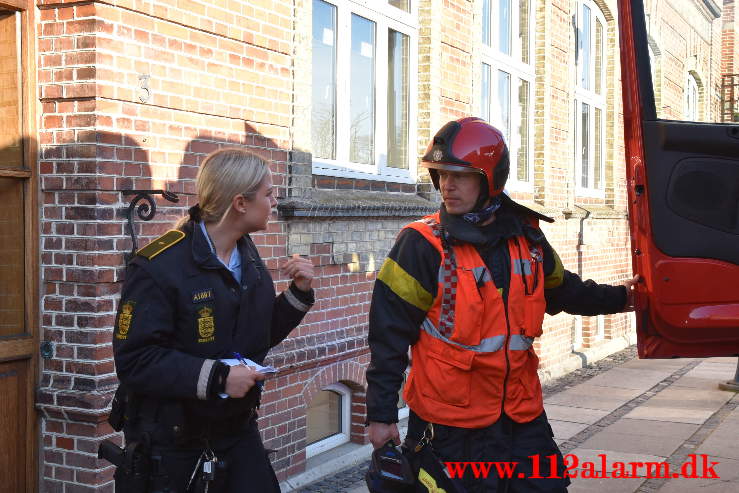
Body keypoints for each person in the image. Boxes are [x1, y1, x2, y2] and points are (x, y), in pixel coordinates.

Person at [366, 117, 638, 492]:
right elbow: (387, 336)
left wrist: (626, 298)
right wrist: (380, 416)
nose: (447, 185)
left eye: (460, 175)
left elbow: (566, 291)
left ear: (490, 178)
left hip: (521, 417)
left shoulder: (528, 239)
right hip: (451, 428)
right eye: (442, 174)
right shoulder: (420, 244)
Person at [110, 149, 314, 492]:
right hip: (174, 446)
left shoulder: (246, 255)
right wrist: (220, 378)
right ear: (240, 203)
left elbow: (255, 337)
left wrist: (299, 294)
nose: (275, 202)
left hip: (237, 432)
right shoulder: (158, 267)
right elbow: (135, 360)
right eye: (268, 194)